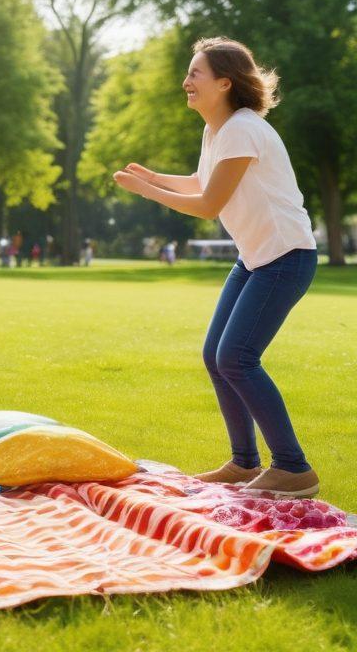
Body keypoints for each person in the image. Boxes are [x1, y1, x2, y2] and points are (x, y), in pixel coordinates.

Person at [114, 37, 320, 498]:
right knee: (217, 356)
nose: (185, 82)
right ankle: (245, 463)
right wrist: (151, 176)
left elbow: (209, 204)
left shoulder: (243, 128)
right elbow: (202, 181)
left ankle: (293, 468)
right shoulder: (219, 131)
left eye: (195, 74)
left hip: (285, 258)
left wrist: (147, 192)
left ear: (225, 82)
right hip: (256, 258)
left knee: (237, 358)